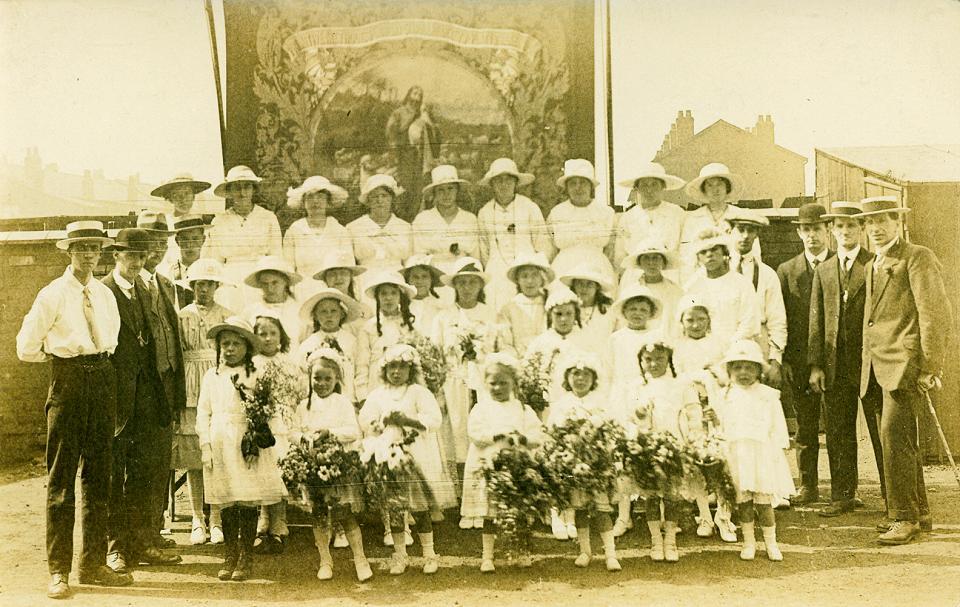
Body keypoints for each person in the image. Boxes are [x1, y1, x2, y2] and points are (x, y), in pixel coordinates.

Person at [16, 221, 130, 598]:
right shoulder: (52, 294)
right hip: (67, 382)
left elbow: (110, 341)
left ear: (101, 253)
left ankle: (93, 564)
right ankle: (58, 571)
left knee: (100, 477)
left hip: (102, 379)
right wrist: (58, 356)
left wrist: (99, 368)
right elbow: (25, 347)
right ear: (69, 251)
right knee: (62, 481)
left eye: (94, 248)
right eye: (80, 247)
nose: (88, 254)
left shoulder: (105, 295)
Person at [857, 196, 951, 544]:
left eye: (883, 220)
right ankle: (919, 512)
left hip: (905, 364)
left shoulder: (917, 257)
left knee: (895, 437)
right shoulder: (873, 265)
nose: (876, 229)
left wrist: (929, 366)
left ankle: (904, 518)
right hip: (877, 365)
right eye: (870, 223)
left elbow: (934, 315)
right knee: (898, 440)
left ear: (897, 222)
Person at [102, 229, 182, 576]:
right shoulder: (103, 291)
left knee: (144, 474)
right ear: (116, 256)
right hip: (115, 399)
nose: (136, 262)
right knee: (112, 476)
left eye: (141, 256)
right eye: (130, 256)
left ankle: (141, 542)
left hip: (147, 398)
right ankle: (114, 548)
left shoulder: (146, 290)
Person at [808, 201, 885, 517]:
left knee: (882, 431)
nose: (844, 231)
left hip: (871, 364)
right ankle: (842, 495)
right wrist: (815, 365)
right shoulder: (825, 270)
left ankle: (895, 498)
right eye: (838, 226)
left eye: (851, 225)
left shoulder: (874, 264)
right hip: (834, 364)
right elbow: (817, 319)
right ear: (831, 230)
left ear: (862, 229)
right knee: (838, 431)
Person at [196, 316, 286, 581]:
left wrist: (264, 435)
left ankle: (245, 557)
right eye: (226, 344)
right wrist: (205, 445)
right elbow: (203, 412)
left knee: (245, 498)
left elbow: (269, 412)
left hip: (246, 443)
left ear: (247, 347)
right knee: (225, 499)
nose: (230, 349)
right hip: (220, 441)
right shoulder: (211, 376)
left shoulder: (255, 374)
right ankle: (229, 555)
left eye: (236, 343)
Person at [358, 344, 456, 574]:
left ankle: (429, 555)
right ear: (384, 370)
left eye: (402, 367)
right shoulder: (378, 394)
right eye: (392, 367)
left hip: (415, 456)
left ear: (411, 370)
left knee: (419, 508)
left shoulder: (418, 392)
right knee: (395, 509)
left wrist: (407, 420)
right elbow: (366, 419)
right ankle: (400, 555)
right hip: (387, 456)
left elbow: (433, 419)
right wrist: (381, 423)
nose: (396, 372)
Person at [618, 339, 703, 563]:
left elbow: (694, 412)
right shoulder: (636, 387)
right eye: (648, 359)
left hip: (673, 446)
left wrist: (693, 438)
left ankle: (670, 541)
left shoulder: (682, 384)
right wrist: (638, 416)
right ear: (641, 361)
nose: (654, 363)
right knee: (652, 497)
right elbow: (629, 416)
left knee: (672, 496)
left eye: (660, 359)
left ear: (669, 359)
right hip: (647, 448)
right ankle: (656, 540)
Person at [292, 349, 373, 582]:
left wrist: (330, 434)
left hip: (338, 467)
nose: (322, 383)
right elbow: (293, 432)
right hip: (314, 467)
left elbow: (353, 432)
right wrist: (305, 440)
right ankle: (325, 560)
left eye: (328, 378)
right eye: (317, 378)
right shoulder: (303, 406)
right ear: (309, 378)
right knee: (319, 516)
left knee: (345, 514)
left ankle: (360, 559)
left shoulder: (342, 403)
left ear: (337, 379)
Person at [460, 353, 544, 573]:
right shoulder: (481, 408)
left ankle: (521, 551)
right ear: (485, 384)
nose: (497, 388)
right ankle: (488, 555)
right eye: (493, 383)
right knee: (490, 513)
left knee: (520, 512)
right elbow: (475, 433)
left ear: (514, 383)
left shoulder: (523, 409)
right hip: (490, 466)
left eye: (503, 383)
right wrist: (497, 436)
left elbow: (536, 435)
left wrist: (523, 439)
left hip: (518, 467)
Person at [712, 340, 795, 561]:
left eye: (749, 367)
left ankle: (771, 543)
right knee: (743, 502)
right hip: (737, 454)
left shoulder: (768, 395)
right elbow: (720, 425)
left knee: (764, 502)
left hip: (762, 455)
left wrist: (777, 452)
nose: (743, 373)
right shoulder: (725, 395)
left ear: (759, 370)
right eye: (737, 367)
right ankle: (749, 542)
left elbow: (778, 426)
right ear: (729, 371)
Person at [430, 257, 496, 524]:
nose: (467, 287)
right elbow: (435, 355)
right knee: (457, 441)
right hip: (453, 384)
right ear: (455, 285)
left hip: (484, 383)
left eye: (472, 282)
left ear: (480, 285)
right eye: (462, 282)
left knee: (481, 440)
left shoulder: (490, 314)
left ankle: (481, 501)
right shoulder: (444, 317)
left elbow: (497, 348)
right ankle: (461, 501)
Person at [776, 203, 833, 505]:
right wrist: (785, 358)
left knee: (838, 425)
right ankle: (808, 486)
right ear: (799, 232)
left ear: (828, 231)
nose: (812, 236)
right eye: (806, 230)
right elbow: (781, 317)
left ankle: (843, 489)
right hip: (798, 361)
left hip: (835, 358)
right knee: (806, 425)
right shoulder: (787, 271)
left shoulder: (840, 265)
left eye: (817, 229)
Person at [137, 211, 188, 547]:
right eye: (149, 243)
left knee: (160, 462)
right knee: (137, 466)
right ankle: (134, 536)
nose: (156, 250)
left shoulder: (167, 285)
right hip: (142, 388)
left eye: (161, 242)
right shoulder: (125, 284)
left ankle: (153, 530)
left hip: (166, 386)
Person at [175, 259, 233, 546]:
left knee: (218, 453)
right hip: (190, 386)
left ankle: (217, 518)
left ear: (216, 287)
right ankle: (197, 518)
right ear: (192, 287)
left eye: (209, 284)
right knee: (194, 456)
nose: (204, 290)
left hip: (217, 382)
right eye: (199, 285)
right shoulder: (182, 315)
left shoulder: (227, 315)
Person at [546, 352, 622, 571]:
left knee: (602, 510)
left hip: (597, 466)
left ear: (594, 379)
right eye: (575, 374)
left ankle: (610, 554)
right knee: (579, 509)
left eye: (586, 375)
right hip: (573, 466)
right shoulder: (561, 405)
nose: (580, 379)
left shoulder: (601, 403)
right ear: (567, 378)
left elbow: (610, 429)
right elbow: (553, 431)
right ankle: (585, 551)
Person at [671, 296, 736, 542]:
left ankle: (724, 515)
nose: (696, 325)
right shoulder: (677, 348)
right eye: (690, 320)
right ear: (682, 322)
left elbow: (725, 376)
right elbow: (677, 377)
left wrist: (710, 377)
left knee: (722, 460)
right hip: (689, 409)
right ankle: (704, 516)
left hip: (716, 407)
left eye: (701, 319)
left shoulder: (719, 344)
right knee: (696, 461)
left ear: (709, 320)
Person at [477, 157, 555, 311]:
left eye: (508, 180)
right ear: (492, 184)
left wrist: (535, 274)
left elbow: (543, 243)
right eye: (498, 180)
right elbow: (483, 250)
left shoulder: (529, 207)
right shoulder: (485, 212)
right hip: (496, 276)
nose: (504, 185)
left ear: (515, 183)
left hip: (527, 274)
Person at [202, 165, 283, 311]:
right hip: (230, 282)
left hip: (260, 279)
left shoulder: (268, 218)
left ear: (253, 190)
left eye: (247, 187)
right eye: (237, 188)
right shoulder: (219, 221)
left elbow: (276, 257)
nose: (242, 192)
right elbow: (215, 261)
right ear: (230, 191)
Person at [729, 210, 787, 387]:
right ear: (730, 231)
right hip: (727, 341)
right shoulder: (719, 272)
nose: (745, 236)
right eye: (741, 229)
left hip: (758, 343)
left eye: (751, 230)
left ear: (757, 235)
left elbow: (777, 320)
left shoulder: (767, 274)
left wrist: (775, 361)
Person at [683, 227, 761, 350]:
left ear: (724, 252)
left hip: (736, 351)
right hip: (703, 352)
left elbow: (750, 324)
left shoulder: (742, 284)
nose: (709, 255)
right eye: (703, 252)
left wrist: (728, 348)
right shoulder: (692, 287)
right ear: (698, 258)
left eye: (714, 249)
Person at [679, 163, 755, 282]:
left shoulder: (742, 217)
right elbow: (686, 257)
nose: (716, 189)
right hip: (703, 281)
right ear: (704, 190)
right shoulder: (692, 219)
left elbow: (752, 256)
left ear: (727, 187)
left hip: (736, 281)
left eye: (720, 183)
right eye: (710, 185)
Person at [547, 159, 616, 286]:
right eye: (573, 183)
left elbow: (612, 251)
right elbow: (550, 251)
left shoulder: (606, 213)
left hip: (598, 270)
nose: (578, 188)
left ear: (591, 186)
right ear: (566, 187)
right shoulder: (556, 213)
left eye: (583, 183)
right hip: (563, 270)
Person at [296, 286, 369, 404]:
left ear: (341, 314)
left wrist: (361, 399)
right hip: (317, 403)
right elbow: (303, 376)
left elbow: (360, 371)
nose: (328, 316)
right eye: (323, 312)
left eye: (333, 311)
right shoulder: (308, 345)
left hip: (347, 400)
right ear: (315, 315)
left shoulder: (352, 342)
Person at [282, 175, 352, 298]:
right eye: (310, 197)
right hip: (302, 292)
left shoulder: (340, 231)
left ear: (328, 201)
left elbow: (348, 267)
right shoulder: (294, 231)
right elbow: (288, 270)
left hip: (334, 292)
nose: (315, 201)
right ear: (303, 202)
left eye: (320, 196)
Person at [614, 161, 686, 273]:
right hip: (636, 276)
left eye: (654, 184)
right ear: (636, 188)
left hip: (670, 274)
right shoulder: (628, 218)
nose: (649, 190)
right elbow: (620, 255)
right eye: (644, 185)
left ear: (663, 186)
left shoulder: (677, 213)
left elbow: (685, 250)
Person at [347, 174, 414, 291]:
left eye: (384, 196)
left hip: (397, 283)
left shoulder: (404, 227)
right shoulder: (354, 228)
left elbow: (410, 262)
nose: (380, 200)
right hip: (364, 283)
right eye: (374, 196)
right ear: (368, 201)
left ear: (392, 199)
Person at [412, 165, 480, 274]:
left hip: (462, 276)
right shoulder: (422, 219)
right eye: (441, 190)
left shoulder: (469, 219)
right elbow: (418, 257)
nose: (446, 194)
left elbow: (476, 258)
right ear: (434, 193)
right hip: (433, 275)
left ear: (457, 190)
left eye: (450, 188)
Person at [360, 270, 419, 393]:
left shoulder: (410, 325)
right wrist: (363, 395)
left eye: (393, 293)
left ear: (400, 297)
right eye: (383, 293)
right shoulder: (369, 327)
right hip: (377, 384)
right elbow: (362, 364)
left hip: (405, 385)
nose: (388, 298)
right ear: (377, 297)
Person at [617, 239, 683, 335]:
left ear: (664, 262)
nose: (651, 263)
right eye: (646, 258)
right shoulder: (630, 291)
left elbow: (678, 323)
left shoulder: (676, 291)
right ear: (639, 263)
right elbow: (623, 322)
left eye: (656, 258)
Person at [150, 172, 212, 271]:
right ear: (170, 198)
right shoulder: (163, 222)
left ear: (193, 196)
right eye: (176, 194)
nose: (182, 199)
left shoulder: (201, 222)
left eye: (187, 193)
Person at [496, 251, 553, 358]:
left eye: (535, 275)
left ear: (542, 279)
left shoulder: (550, 306)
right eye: (524, 276)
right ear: (518, 280)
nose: (530, 281)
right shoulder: (509, 308)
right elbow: (505, 344)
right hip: (517, 361)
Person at [608, 284, 662, 395]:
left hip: (650, 388)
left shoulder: (656, 336)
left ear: (651, 313)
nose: (638, 313)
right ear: (624, 311)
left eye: (643, 310)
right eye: (633, 309)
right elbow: (609, 368)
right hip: (623, 389)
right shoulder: (616, 338)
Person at [241, 256, 304, 350]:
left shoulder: (300, 310)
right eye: (265, 284)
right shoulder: (250, 312)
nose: (270, 289)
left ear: (285, 282)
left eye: (275, 283)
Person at [158, 214, 212, 309]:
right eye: (185, 239)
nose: (190, 245)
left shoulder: (211, 273)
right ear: (177, 241)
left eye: (195, 239)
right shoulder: (167, 274)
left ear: (203, 240)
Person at [402, 254, 449, 333]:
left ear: (431, 280)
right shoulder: (400, 308)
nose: (419, 281)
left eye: (424, 276)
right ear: (407, 280)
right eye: (415, 277)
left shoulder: (441, 308)